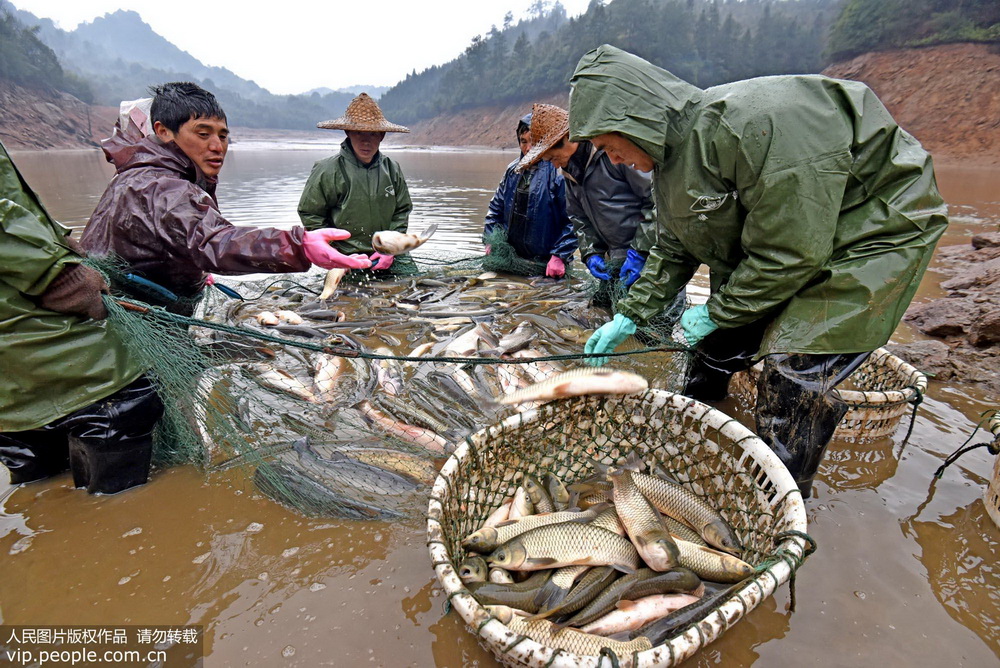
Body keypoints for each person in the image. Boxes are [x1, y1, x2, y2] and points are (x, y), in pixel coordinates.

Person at [575, 45, 948, 497]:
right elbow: (674, 246)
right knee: (716, 345)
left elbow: (791, 254)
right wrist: (630, 314)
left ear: (635, 121)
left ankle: (780, 500)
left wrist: (715, 310)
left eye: (610, 146)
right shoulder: (669, 161)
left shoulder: (749, 125)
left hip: (874, 228)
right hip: (794, 239)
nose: (613, 160)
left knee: (794, 369)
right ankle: (701, 431)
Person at [81, 82, 370, 315]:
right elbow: (214, 241)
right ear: (163, 131)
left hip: (126, 310)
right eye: (203, 134)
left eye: (222, 135)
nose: (217, 146)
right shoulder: (164, 187)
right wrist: (299, 246)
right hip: (133, 324)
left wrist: (190, 272)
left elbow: (165, 241)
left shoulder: (136, 176)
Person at [0, 139, 163, 494]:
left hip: (11, 392)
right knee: (129, 404)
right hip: (65, 361)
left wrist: (58, 241)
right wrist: (57, 271)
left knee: (39, 495)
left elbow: (16, 206)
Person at [516, 103, 655, 288]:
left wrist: (640, 251)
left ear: (568, 138)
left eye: (554, 158)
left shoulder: (614, 153)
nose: (555, 166)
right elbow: (578, 217)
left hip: (651, 253)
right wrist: (591, 253)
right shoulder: (568, 171)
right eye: (549, 161)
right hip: (615, 256)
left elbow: (658, 202)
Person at [298, 93, 413, 274]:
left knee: (418, 289)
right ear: (348, 133)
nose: (366, 141)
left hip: (388, 253)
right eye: (359, 132)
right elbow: (310, 214)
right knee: (345, 300)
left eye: (373, 134)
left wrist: (390, 249)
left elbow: (402, 211)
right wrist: (335, 251)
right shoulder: (327, 169)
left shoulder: (392, 168)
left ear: (382, 136)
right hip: (346, 254)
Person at [482, 112, 577, 278]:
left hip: (548, 264)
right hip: (512, 260)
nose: (528, 148)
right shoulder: (512, 170)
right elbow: (495, 210)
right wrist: (490, 239)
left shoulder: (558, 172)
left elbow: (574, 220)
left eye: (533, 142)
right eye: (523, 142)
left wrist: (560, 255)